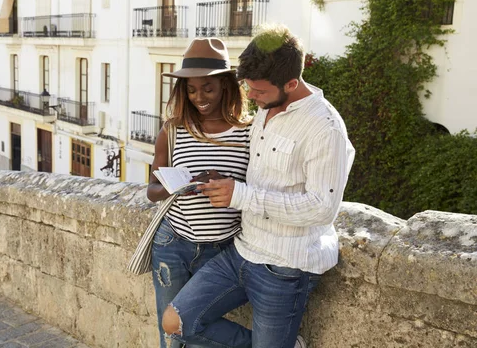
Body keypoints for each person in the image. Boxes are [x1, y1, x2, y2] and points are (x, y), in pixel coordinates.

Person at [161, 24, 356, 348]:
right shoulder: (265, 110)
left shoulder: (325, 128)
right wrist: (222, 182)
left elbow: (322, 208)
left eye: (259, 91)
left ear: (291, 84)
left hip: (285, 266)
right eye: (248, 87)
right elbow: (258, 177)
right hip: (242, 250)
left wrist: (240, 195)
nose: (250, 97)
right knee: (175, 321)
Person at [147, 37, 251, 348]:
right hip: (172, 245)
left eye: (207, 88)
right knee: (171, 335)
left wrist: (226, 184)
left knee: (195, 331)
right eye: (191, 90)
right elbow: (151, 191)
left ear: (225, 86)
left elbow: (258, 189)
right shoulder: (173, 130)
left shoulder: (249, 133)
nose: (199, 97)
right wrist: (179, 185)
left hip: (222, 252)